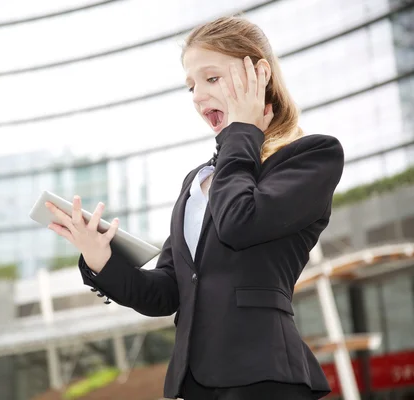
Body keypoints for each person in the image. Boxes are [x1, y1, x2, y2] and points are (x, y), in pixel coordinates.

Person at [45, 15, 344, 400]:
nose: (199, 97)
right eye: (190, 87)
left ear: (260, 73)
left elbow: (241, 222)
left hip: (263, 376)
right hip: (194, 383)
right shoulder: (197, 180)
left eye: (211, 79)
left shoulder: (311, 155)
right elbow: (165, 293)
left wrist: (242, 133)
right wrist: (100, 257)